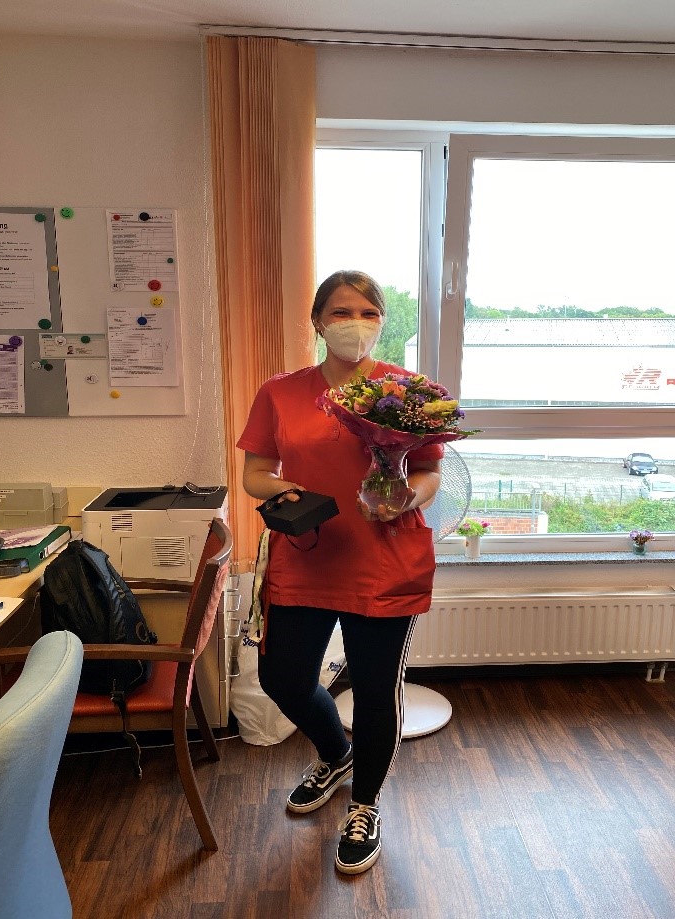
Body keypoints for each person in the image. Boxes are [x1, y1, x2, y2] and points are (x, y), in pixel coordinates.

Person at [237, 269, 442, 874]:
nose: (355, 323)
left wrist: (407, 496)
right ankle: (335, 751)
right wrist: (288, 489)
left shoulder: (409, 391)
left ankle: (366, 805)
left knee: (377, 692)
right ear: (319, 322)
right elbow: (254, 473)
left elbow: (430, 471)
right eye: (342, 312)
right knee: (283, 678)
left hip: (384, 556)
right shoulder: (281, 392)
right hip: (307, 554)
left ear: (382, 320)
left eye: (368, 312)